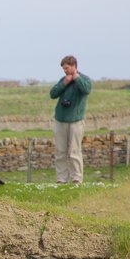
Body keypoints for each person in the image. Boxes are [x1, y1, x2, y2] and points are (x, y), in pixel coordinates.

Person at [50, 55, 92, 184]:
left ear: (74, 66)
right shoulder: (63, 80)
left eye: (67, 68)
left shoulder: (84, 79)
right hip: (60, 120)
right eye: (63, 69)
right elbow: (53, 94)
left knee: (74, 151)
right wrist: (64, 83)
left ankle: (76, 178)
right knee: (60, 151)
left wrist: (76, 78)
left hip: (76, 121)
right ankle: (61, 179)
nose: (65, 71)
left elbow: (86, 90)